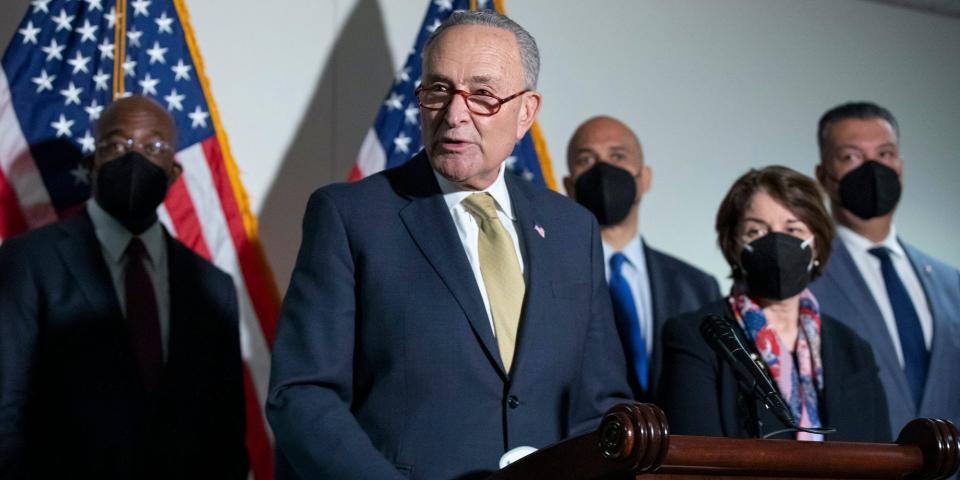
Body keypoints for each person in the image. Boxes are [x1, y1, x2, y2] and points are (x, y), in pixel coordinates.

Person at [266, 10, 631, 480]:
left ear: (526, 112)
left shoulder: (572, 228)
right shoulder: (349, 216)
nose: (455, 114)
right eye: (438, 90)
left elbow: (599, 403)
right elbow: (302, 394)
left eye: (482, 94)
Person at [0, 96, 247, 478]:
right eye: (116, 145)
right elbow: (6, 410)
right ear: (91, 164)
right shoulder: (28, 262)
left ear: (174, 172)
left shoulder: (214, 288)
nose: (134, 158)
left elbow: (226, 436)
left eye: (153, 147)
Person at [658, 166, 890, 442]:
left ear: (816, 246)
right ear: (735, 246)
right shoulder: (696, 337)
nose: (777, 243)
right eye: (756, 231)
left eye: (793, 229)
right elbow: (693, 457)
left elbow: (881, 453)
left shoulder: (853, 350)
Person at [809, 102, 960, 439]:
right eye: (851, 157)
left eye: (885, 154)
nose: (873, 169)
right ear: (823, 175)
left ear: (900, 167)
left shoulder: (952, 283)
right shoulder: (804, 279)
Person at [563, 116, 720, 401]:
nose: (603, 169)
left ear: (645, 178)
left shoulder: (698, 286)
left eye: (618, 156)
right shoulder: (553, 280)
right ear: (569, 185)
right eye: (586, 160)